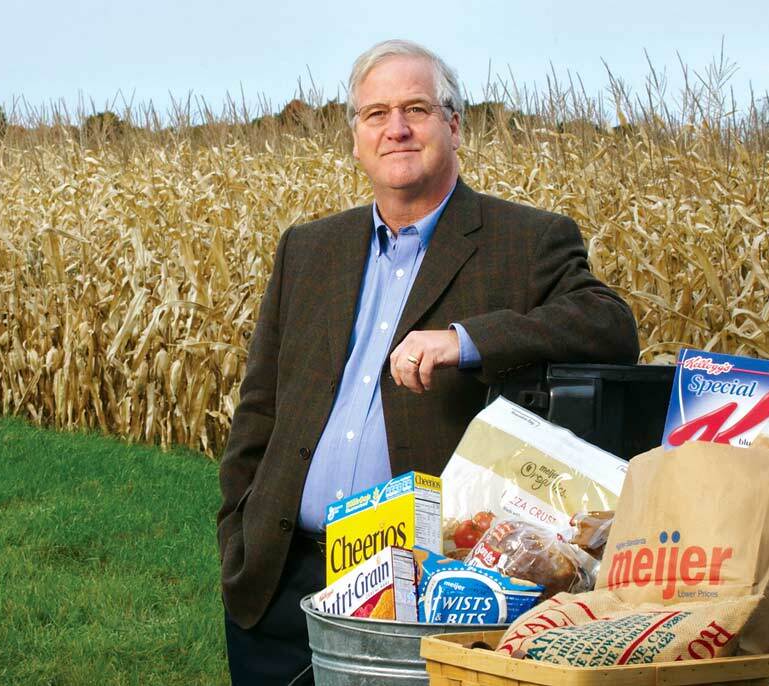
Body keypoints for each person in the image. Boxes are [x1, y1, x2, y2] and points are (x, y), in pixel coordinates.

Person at [216, 39, 639, 684]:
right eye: (375, 113)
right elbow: (259, 408)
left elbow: (610, 326)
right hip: (280, 578)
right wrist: (238, 527)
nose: (397, 129)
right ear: (356, 135)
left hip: (425, 592)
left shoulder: (525, 241)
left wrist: (466, 340)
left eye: (416, 108)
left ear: (454, 125)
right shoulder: (309, 248)